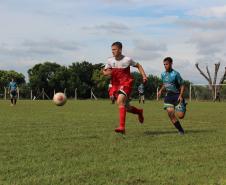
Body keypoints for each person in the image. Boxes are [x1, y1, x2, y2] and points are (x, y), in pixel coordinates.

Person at [103, 41, 147, 134]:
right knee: (126, 107)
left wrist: (144, 76)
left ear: (120, 49)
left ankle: (122, 127)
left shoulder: (127, 59)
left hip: (126, 83)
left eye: (114, 49)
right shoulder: (110, 60)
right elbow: (105, 71)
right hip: (115, 85)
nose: (112, 51)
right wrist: (106, 73)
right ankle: (139, 112)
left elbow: (138, 65)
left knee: (119, 101)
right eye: (112, 50)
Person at [157, 57, 187, 135]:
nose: (165, 66)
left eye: (166, 64)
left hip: (177, 96)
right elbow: (165, 84)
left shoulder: (176, 74)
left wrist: (181, 96)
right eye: (164, 64)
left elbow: (182, 85)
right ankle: (180, 130)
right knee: (170, 113)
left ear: (171, 63)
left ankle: (183, 103)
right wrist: (160, 90)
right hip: (168, 96)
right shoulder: (163, 74)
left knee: (180, 116)